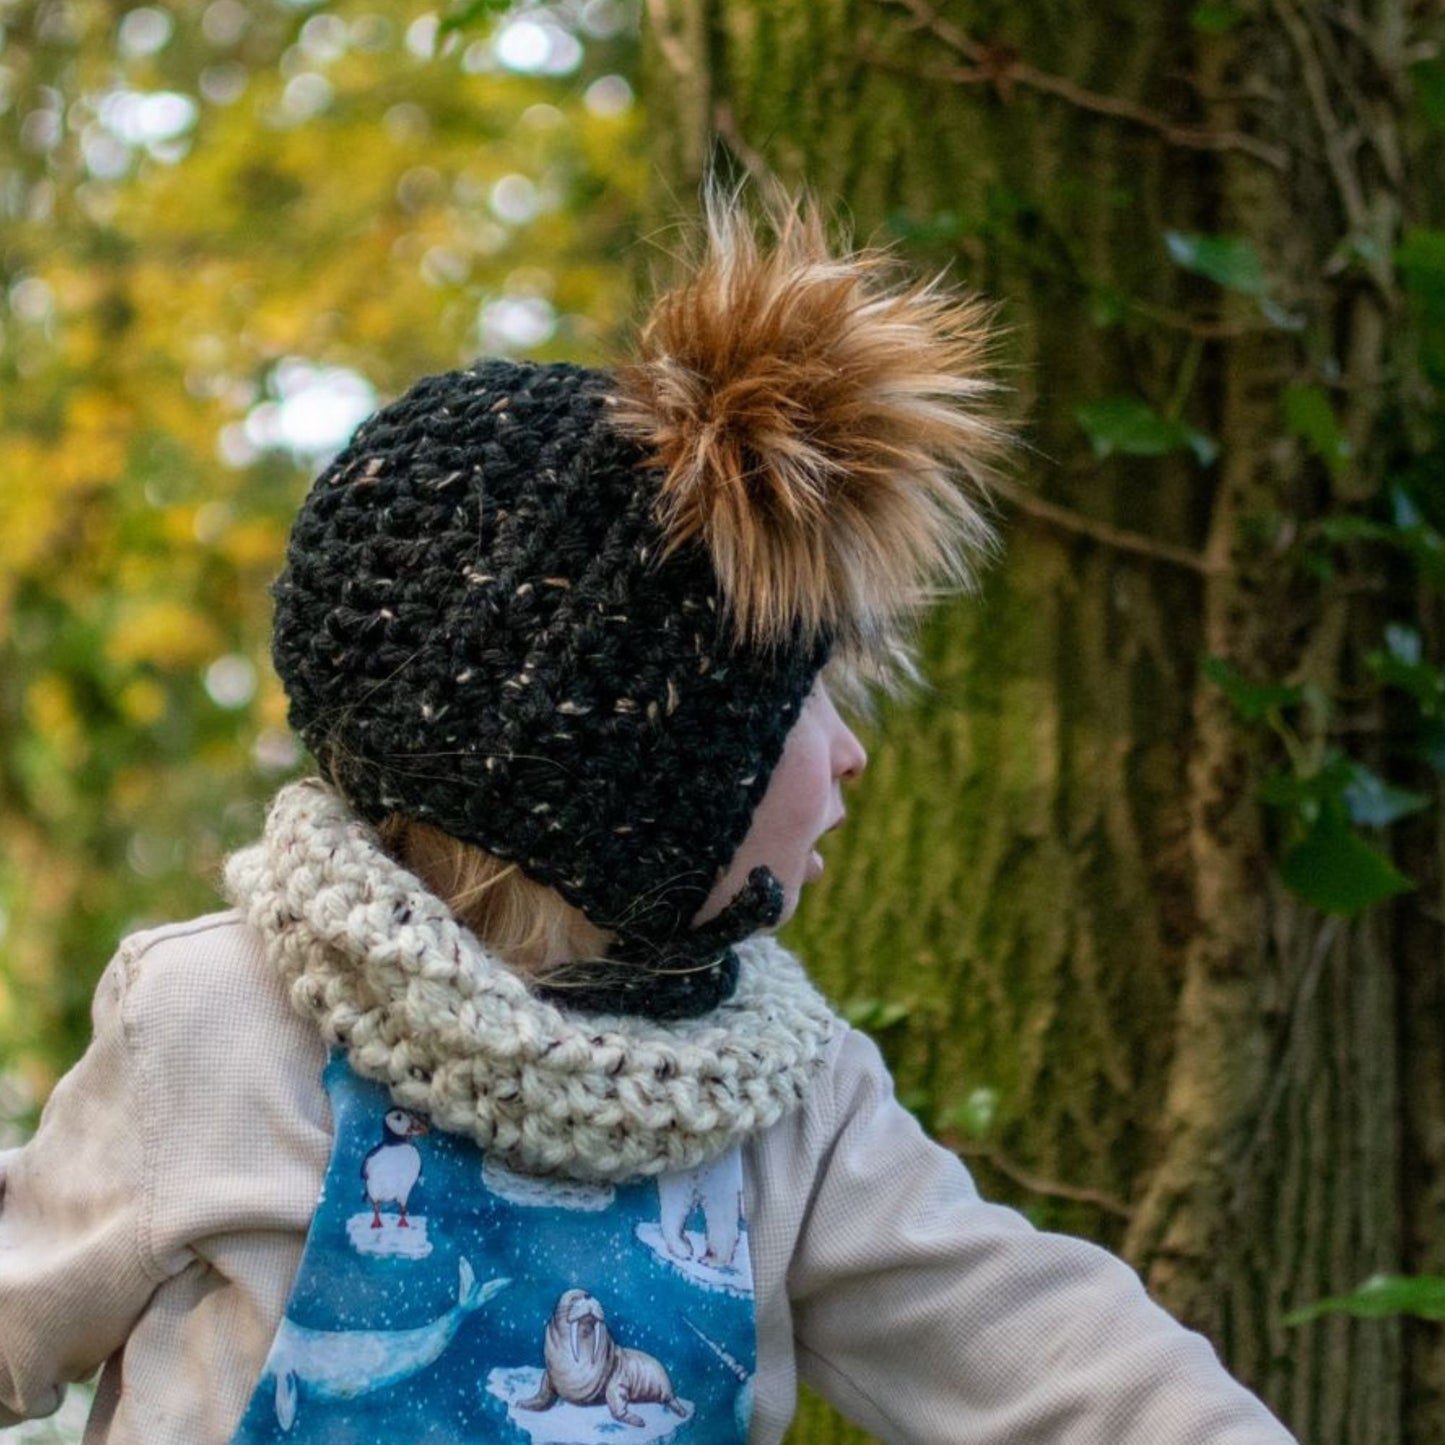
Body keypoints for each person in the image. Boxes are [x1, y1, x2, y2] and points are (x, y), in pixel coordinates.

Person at [0, 188, 1297, 1445]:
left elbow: (1052, 1356)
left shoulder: (790, 1103)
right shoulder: (218, 1022)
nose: (850, 759)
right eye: (808, 701)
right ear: (639, 750)